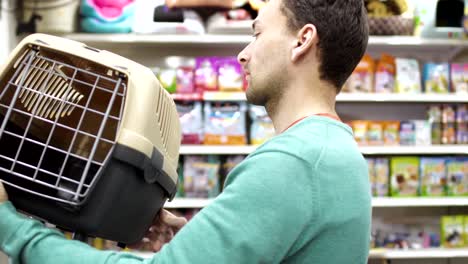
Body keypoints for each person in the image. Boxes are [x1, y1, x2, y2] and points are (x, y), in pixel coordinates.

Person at [0, 0, 371, 263]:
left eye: (257, 34)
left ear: (302, 40)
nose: (244, 54)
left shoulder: (292, 162)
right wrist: (193, 246)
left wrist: (13, 227)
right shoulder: (336, 150)